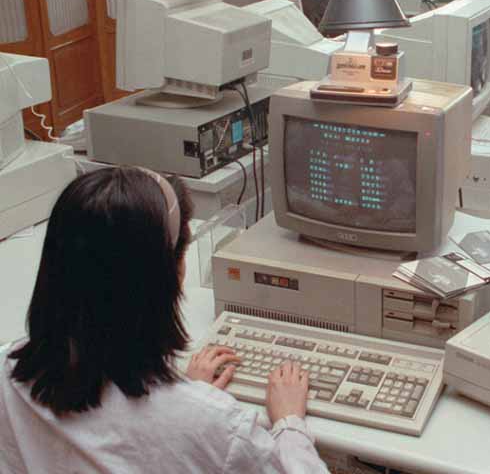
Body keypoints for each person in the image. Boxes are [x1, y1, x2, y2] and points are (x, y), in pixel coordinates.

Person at [0, 168, 329, 473]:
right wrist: (289, 422)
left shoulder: (7, 375)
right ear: (172, 273)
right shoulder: (213, 424)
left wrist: (190, 394)